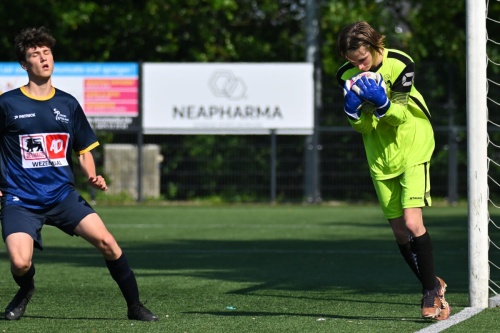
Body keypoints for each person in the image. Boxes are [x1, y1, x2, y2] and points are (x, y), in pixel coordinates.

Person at [0, 26, 158, 322]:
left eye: (47, 52)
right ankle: (26, 289)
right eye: (35, 54)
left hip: (61, 194)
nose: (44, 58)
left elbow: (83, 149)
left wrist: (92, 175)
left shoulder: (68, 103)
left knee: (108, 243)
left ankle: (135, 306)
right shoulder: (7, 104)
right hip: (21, 197)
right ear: (24, 64)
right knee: (20, 262)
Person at [335, 21, 451, 320]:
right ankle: (434, 285)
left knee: (413, 223)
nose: (359, 68)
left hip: (412, 145)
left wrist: (383, 102)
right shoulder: (346, 76)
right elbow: (365, 127)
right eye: (352, 62)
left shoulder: (401, 63)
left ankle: (428, 294)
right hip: (380, 156)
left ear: (375, 45)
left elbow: (397, 117)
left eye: (362, 60)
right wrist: (352, 113)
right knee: (399, 232)